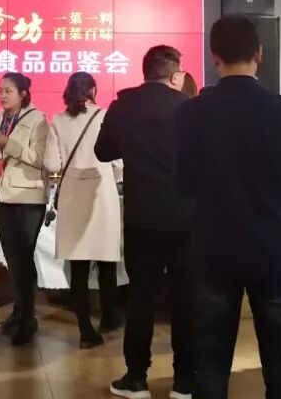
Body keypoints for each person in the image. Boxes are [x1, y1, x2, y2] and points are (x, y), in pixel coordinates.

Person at [176, 17, 281, 399]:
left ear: (214, 56)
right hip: (275, 248)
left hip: (212, 250)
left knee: (210, 363)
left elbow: (183, 184)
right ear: (259, 54)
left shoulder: (190, 113)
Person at [96, 45, 195, 399]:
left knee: (140, 298)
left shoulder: (123, 105)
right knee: (186, 299)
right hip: (185, 218)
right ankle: (185, 381)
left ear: (145, 71)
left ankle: (136, 378)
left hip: (142, 217)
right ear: (175, 74)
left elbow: (103, 151)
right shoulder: (189, 108)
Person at [0, 72, 49, 345]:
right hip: (3, 195)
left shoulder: (38, 120)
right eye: (0, 90)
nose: (2, 95)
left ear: (23, 94)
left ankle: (28, 319)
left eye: (8, 91)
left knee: (23, 258)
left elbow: (41, 158)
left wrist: (9, 143)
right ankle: (19, 312)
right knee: (13, 260)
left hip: (28, 196)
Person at [44, 72, 121, 349]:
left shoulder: (58, 121)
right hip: (102, 192)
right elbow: (118, 162)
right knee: (106, 260)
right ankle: (109, 317)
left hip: (72, 195)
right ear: (93, 90)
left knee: (78, 265)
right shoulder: (105, 116)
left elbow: (52, 163)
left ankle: (85, 331)